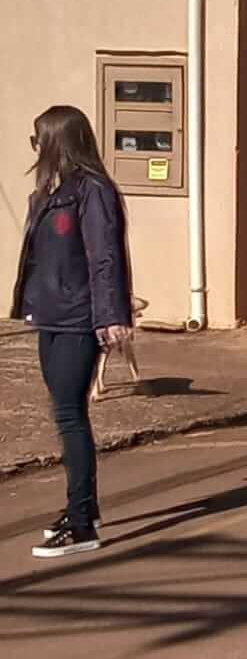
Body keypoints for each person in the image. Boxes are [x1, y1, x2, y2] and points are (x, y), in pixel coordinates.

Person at [10, 106, 133, 558]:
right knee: (64, 413)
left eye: (38, 139)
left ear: (60, 142)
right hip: (49, 315)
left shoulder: (92, 191)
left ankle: (82, 525)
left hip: (79, 316)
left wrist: (109, 316)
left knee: (69, 416)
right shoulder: (49, 192)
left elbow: (103, 257)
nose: (35, 148)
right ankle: (83, 508)